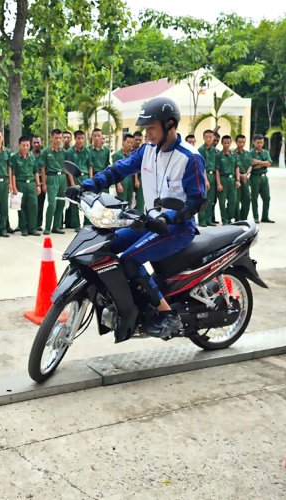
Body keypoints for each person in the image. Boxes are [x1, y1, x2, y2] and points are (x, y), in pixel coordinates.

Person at [67, 97, 206, 339]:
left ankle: (166, 314)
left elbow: (196, 200)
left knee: (130, 260)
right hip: (149, 221)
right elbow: (119, 169)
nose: (147, 133)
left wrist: (171, 218)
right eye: (146, 129)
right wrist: (86, 186)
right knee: (104, 245)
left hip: (176, 229)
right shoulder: (147, 150)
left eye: (151, 128)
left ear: (170, 124)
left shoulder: (190, 157)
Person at [10, 136, 41, 236]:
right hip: (20, 184)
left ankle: (32, 228)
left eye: (27, 145)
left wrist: (38, 185)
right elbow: (13, 173)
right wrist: (14, 187)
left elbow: (36, 172)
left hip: (31, 184)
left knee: (34, 205)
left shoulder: (32, 157)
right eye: (23, 145)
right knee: (21, 206)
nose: (25, 147)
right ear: (19, 145)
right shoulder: (14, 157)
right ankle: (23, 228)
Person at [39, 129, 67, 235]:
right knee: (52, 204)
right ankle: (47, 227)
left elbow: (67, 166)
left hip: (62, 178)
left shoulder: (64, 152)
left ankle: (56, 226)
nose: (58, 140)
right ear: (51, 138)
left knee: (61, 203)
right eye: (56, 138)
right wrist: (44, 183)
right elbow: (42, 168)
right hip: (52, 178)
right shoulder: (46, 152)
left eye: (60, 138)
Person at [65, 130, 93, 232]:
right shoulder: (70, 152)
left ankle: (87, 223)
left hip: (85, 178)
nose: (80, 140)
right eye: (78, 138)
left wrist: (91, 179)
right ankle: (76, 224)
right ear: (75, 139)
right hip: (75, 178)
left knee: (87, 201)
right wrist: (72, 182)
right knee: (74, 202)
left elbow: (90, 166)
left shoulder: (87, 151)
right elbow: (68, 169)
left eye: (82, 138)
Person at [249, 134, 274, 223]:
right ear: (253, 142)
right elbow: (252, 166)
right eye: (258, 142)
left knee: (267, 198)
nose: (260, 144)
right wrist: (263, 163)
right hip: (254, 177)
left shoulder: (265, 152)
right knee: (254, 198)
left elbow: (269, 163)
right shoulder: (250, 153)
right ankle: (256, 217)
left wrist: (258, 162)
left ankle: (265, 217)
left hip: (264, 178)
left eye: (261, 142)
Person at [215, 135, 238, 224]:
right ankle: (225, 220)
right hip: (223, 179)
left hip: (232, 180)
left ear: (230, 143)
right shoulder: (219, 155)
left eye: (228, 143)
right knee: (222, 202)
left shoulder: (233, 154)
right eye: (225, 143)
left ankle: (229, 217)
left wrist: (238, 180)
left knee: (233, 201)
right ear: (222, 143)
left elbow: (237, 167)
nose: (227, 145)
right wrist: (218, 184)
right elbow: (217, 170)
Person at [197, 129, 217, 227]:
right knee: (204, 199)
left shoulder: (214, 150)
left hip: (213, 175)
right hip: (205, 175)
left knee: (211, 199)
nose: (208, 139)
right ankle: (202, 220)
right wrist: (205, 180)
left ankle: (209, 219)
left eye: (210, 137)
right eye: (206, 137)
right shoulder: (201, 150)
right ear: (203, 138)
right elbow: (202, 166)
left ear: (213, 138)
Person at [233, 134, 252, 221]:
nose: (242, 144)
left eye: (243, 142)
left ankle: (244, 217)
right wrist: (239, 176)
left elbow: (250, 165)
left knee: (247, 199)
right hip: (235, 179)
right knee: (236, 200)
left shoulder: (247, 153)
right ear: (236, 142)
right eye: (240, 142)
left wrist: (246, 174)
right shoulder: (232, 153)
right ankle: (237, 218)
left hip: (245, 179)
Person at [113, 134, 134, 205]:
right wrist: (118, 184)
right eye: (128, 142)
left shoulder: (130, 155)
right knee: (122, 202)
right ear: (123, 143)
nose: (130, 144)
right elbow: (115, 171)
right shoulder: (117, 155)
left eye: (131, 143)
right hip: (122, 181)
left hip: (130, 180)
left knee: (129, 201)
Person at [32, 136, 45, 231]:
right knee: (31, 204)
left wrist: (44, 183)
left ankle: (38, 224)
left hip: (42, 178)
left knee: (40, 204)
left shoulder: (44, 154)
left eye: (38, 142)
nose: (36, 144)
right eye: (34, 143)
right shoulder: (29, 154)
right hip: (31, 180)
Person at [131, 130, 145, 212]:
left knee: (140, 200)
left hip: (140, 177)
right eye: (136, 140)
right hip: (130, 177)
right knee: (130, 200)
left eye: (140, 140)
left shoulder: (142, 150)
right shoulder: (131, 150)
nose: (138, 142)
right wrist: (136, 179)